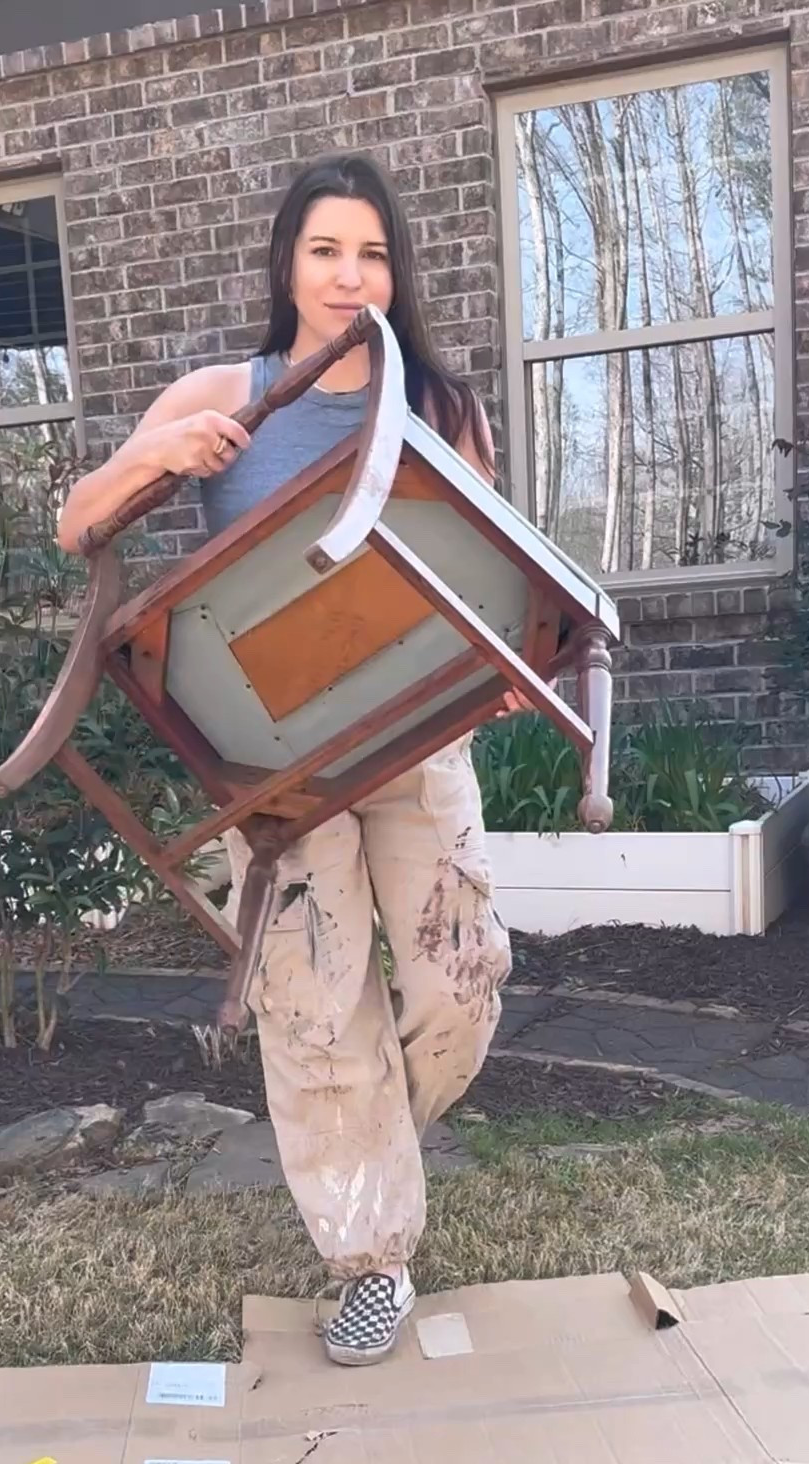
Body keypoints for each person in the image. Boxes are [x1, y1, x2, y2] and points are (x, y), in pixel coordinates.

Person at [58, 153, 516, 1367]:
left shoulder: (443, 403)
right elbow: (78, 520)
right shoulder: (229, 389)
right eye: (324, 250)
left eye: (370, 253)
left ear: (395, 272)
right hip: (272, 758)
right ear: (285, 263)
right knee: (316, 1007)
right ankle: (373, 1257)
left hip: (416, 734)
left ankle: (371, 1143)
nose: (347, 275)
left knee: (459, 985)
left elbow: (492, 566)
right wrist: (169, 454)